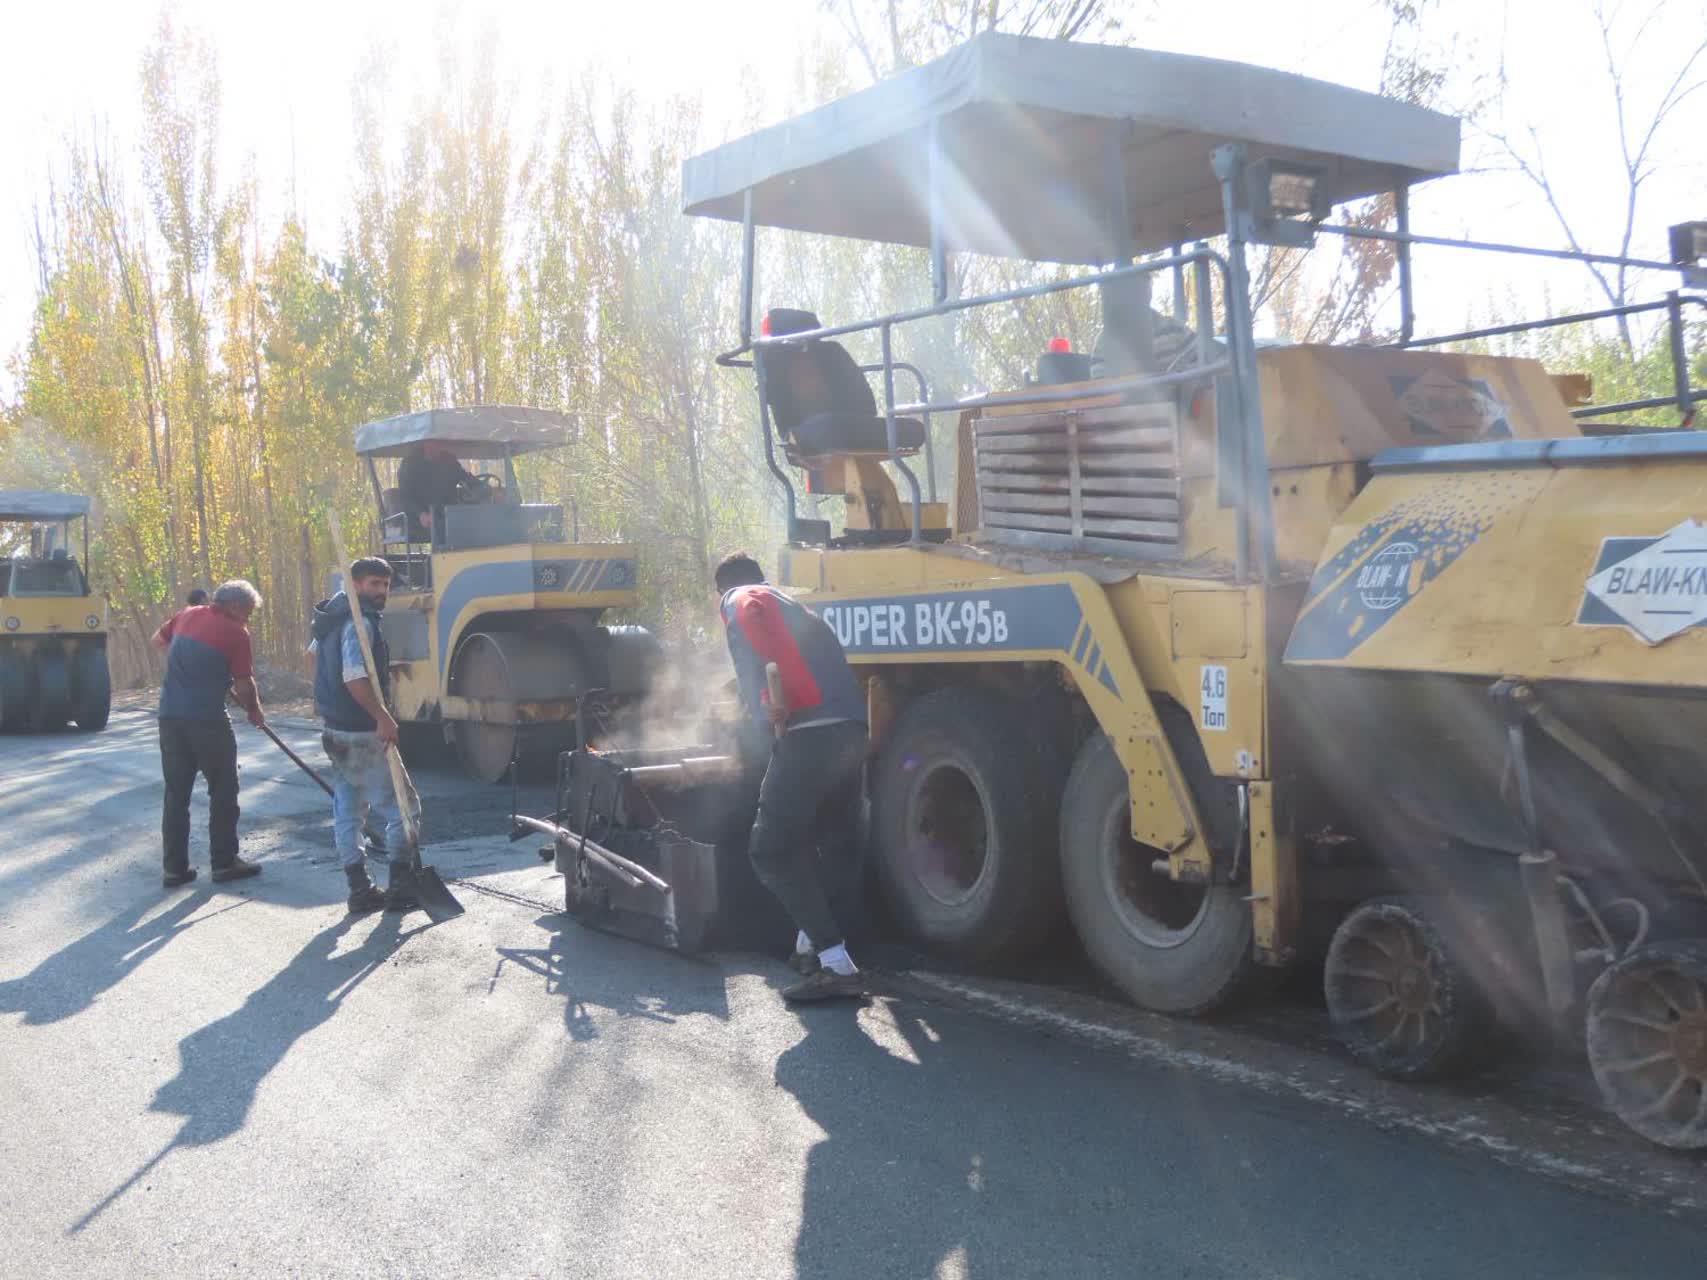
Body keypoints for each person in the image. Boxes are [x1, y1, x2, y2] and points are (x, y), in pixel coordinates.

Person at [715, 551, 869, 1002]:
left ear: (722, 588)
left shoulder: (740, 598)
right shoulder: (795, 605)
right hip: (852, 730)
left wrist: (759, 724)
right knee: (833, 843)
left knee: (771, 850)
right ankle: (812, 947)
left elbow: (753, 660)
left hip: (810, 736)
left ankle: (837, 965)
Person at [310, 557, 420, 914]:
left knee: (348, 810)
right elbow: (354, 676)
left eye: (385, 585)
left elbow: (311, 658)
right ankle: (401, 887)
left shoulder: (330, 615)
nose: (381, 591)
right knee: (404, 808)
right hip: (360, 731)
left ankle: (359, 888)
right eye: (373, 584)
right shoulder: (360, 624)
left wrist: (328, 701)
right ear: (355, 584)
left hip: (334, 729)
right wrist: (381, 716)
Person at [152, 580, 267, 889]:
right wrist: (254, 711)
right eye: (248, 612)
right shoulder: (236, 632)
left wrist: (190, 667)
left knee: (176, 793)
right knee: (224, 789)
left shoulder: (187, 615)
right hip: (207, 720)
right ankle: (225, 862)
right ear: (235, 607)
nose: (248, 619)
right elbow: (245, 683)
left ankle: (174, 869)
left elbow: (158, 641)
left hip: (170, 716)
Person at [397, 440, 484, 537]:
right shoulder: (409, 464)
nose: (436, 446)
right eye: (432, 441)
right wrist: (420, 514)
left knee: (478, 523)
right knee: (442, 528)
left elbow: (465, 478)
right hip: (420, 518)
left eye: (439, 442)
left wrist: (488, 489)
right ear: (423, 442)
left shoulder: (449, 460)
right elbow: (405, 497)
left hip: (449, 513)